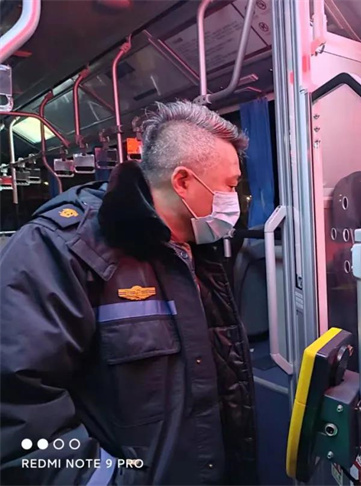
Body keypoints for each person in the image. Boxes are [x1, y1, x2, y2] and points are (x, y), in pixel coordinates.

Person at [0, 101, 257, 485]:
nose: (234, 200)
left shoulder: (198, 251)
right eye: (231, 186)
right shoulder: (61, 250)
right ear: (183, 182)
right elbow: (18, 410)